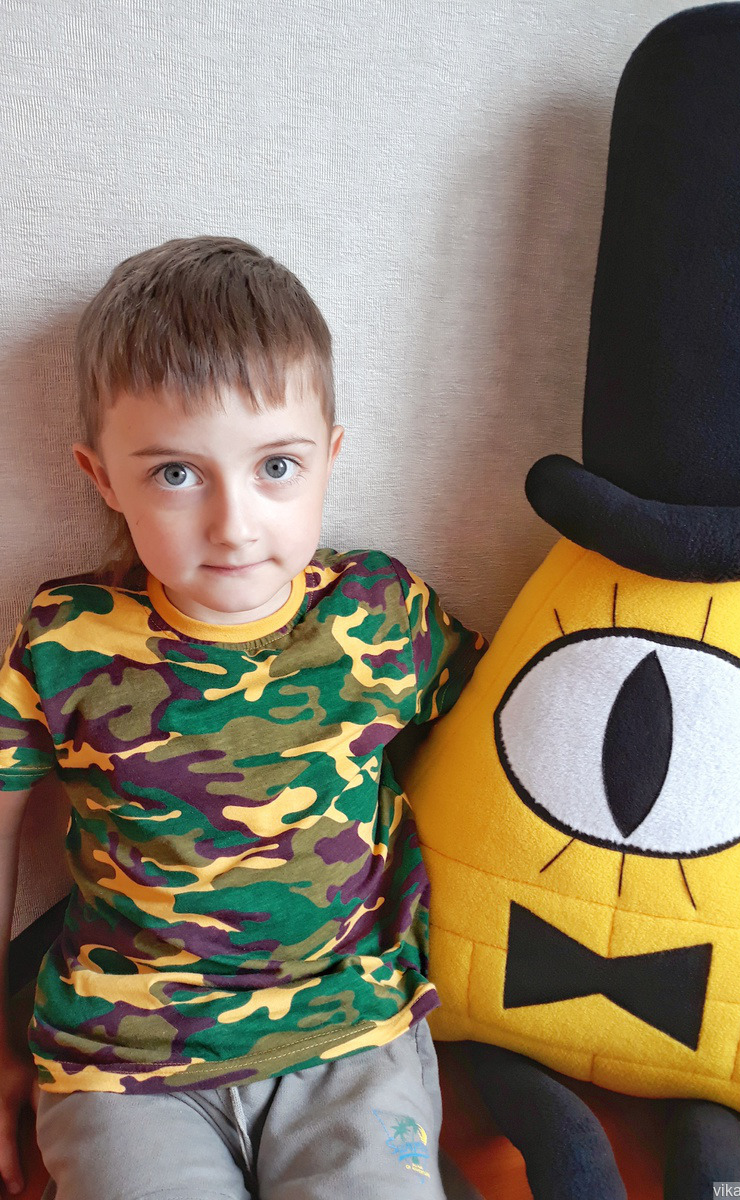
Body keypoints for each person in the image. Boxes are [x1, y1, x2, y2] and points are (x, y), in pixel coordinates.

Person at [0, 236, 487, 1200]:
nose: (233, 524)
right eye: (176, 474)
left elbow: (519, 721)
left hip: (349, 1039)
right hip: (123, 1062)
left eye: (276, 466)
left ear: (329, 458)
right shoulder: (65, 643)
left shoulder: (382, 617)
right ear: (102, 478)